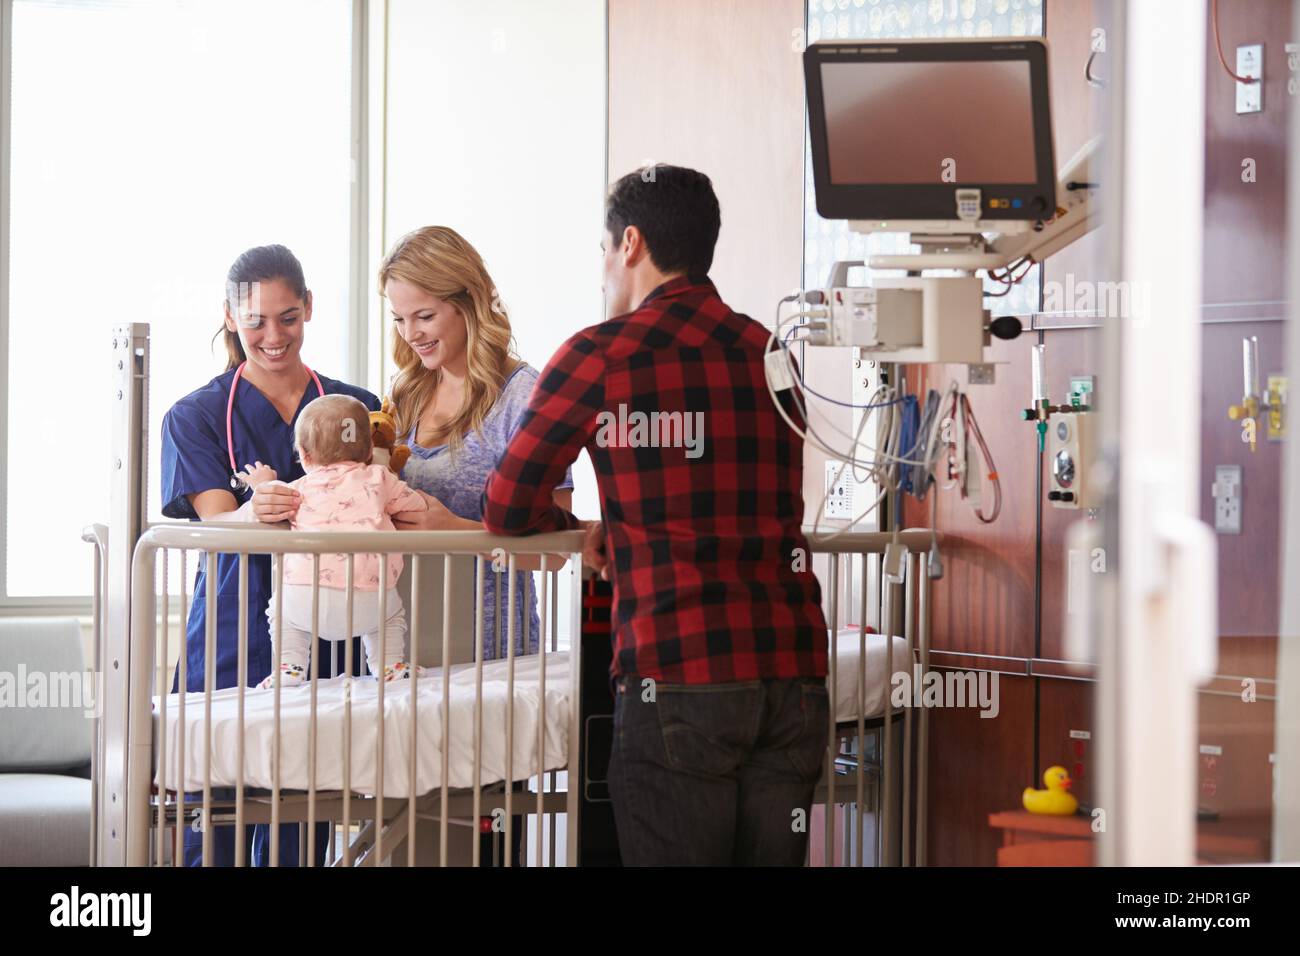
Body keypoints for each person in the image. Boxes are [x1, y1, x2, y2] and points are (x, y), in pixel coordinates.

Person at [482, 165, 830, 866]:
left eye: (603, 250)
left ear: (631, 243)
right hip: (792, 671)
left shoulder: (599, 355)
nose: (604, 269)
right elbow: (758, 495)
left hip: (677, 670)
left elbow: (506, 506)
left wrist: (590, 529)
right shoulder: (771, 353)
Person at [160, 244, 380, 866]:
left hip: (328, 632)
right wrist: (247, 513)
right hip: (232, 632)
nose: (273, 335)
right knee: (219, 821)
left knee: (303, 825)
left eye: (287, 316)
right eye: (254, 320)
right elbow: (212, 521)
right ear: (230, 317)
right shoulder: (196, 416)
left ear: (308, 308)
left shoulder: (357, 409)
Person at [380, 226, 574, 660]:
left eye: (424, 316)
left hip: (494, 655)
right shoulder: (403, 395)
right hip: (402, 651)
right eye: (399, 318)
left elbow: (557, 551)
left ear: (468, 304)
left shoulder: (525, 398)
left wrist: (455, 531)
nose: (411, 333)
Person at [238, 394, 426, 689]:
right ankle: (389, 665)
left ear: (305, 455)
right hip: (371, 598)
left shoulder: (297, 489)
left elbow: (272, 503)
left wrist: (262, 484)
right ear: (368, 451)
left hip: (305, 598)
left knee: (279, 611)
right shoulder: (380, 477)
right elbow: (416, 507)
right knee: (392, 617)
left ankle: (289, 666)